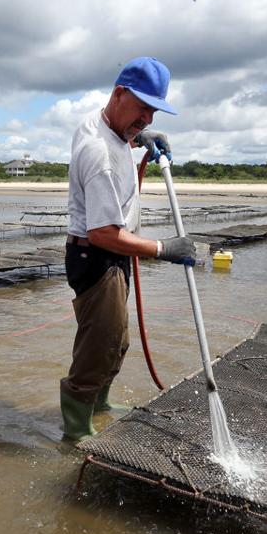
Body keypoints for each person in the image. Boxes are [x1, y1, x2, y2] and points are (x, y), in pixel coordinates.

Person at [59, 56, 197, 443]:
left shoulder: (105, 125)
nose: (148, 120)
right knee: (98, 347)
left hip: (112, 255)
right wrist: (163, 248)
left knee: (118, 341)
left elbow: (118, 133)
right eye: (142, 109)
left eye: (154, 112)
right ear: (119, 93)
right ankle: (75, 429)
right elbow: (102, 232)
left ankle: (99, 405)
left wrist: (137, 139)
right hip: (96, 255)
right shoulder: (98, 153)